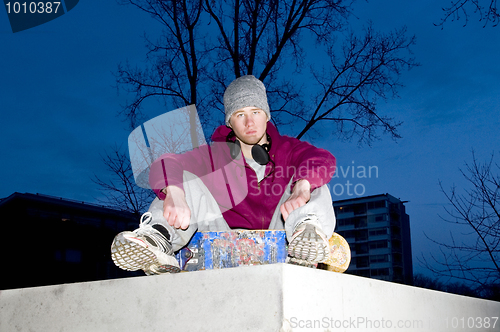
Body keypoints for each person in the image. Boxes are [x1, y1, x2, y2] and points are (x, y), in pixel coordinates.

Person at [111, 75, 337, 275]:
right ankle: (158, 236)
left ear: (266, 116)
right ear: (230, 122)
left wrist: (301, 187)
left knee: (312, 180)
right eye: (240, 115)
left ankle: (307, 232)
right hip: (221, 233)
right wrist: (174, 194)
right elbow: (166, 162)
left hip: (279, 231)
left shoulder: (289, 149)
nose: (250, 123)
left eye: (256, 112)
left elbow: (322, 159)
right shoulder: (214, 155)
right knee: (181, 180)